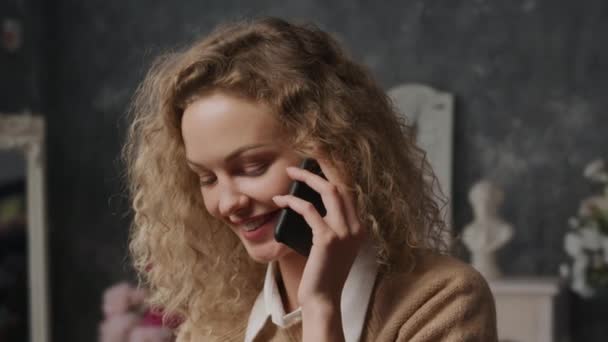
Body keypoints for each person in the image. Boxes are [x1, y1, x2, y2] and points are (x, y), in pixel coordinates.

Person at [123, 17, 497, 341]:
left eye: (252, 168)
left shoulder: (441, 300)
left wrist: (320, 305)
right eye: (206, 178)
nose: (227, 202)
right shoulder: (214, 323)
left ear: (335, 152)